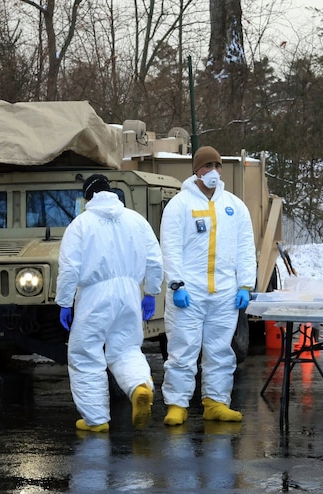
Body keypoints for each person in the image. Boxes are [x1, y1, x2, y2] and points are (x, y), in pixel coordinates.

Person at [56, 174, 163, 432]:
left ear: (87, 197)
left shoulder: (81, 224)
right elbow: (155, 260)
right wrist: (150, 292)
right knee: (126, 349)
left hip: (94, 296)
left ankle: (96, 420)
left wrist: (64, 302)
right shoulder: (137, 221)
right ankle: (139, 386)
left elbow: (69, 268)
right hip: (129, 294)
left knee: (86, 355)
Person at [160, 146, 256, 426]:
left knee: (220, 351)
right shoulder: (180, 205)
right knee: (183, 350)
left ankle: (215, 402)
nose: (213, 171)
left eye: (217, 165)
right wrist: (176, 284)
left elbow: (245, 248)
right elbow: (171, 247)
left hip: (224, 294)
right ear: (196, 170)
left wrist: (245, 285)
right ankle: (177, 404)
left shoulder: (235, 207)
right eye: (207, 166)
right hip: (189, 294)